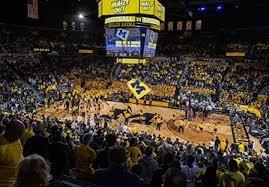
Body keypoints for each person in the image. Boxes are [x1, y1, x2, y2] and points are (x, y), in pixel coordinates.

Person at [0, 119, 25, 187]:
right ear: (10, 132)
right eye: (19, 133)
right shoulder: (2, 148)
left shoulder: (16, 140)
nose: (21, 136)